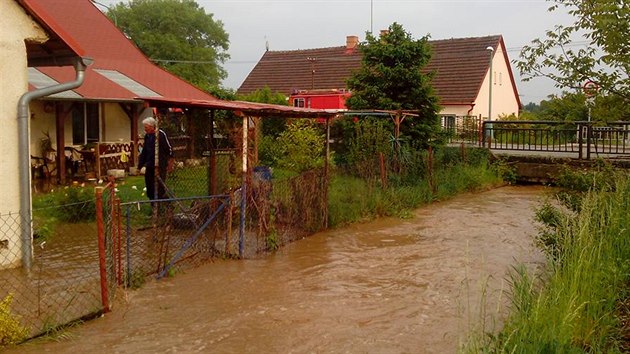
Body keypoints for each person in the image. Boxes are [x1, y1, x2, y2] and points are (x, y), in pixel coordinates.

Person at [138, 117, 174, 201]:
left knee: (159, 188)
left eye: (146, 127)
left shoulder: (160, 134)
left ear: (152, 126)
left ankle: (165, 205)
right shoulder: (147, 136)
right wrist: (139, 166)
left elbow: (169, 149)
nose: (145, 129)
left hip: (160, 165)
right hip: (150, 165)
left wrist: (170, 162)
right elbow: (144, 152)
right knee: (149, 187)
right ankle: (153, 205)